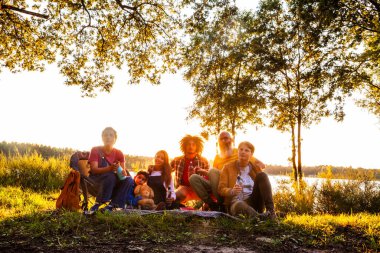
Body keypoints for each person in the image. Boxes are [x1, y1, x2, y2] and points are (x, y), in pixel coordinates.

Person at [189, 131, 265, 211]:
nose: (224, 141)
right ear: (218, 142)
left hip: (234, 183)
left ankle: (222, 204)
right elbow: (214, 176)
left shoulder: (240, 152)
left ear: (231, 140)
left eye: (226, 138)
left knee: (212, 171)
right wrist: (203, 171)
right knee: (193, 178)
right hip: (221, 185)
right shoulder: (217, 157)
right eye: (221, 139)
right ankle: (212, 204)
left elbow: (261, 165)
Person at [218, 141, 276, 220]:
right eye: (241, 149)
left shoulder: (255, 168)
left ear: (251, 155)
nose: (243, 152)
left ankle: (271, 212)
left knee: (262, 175)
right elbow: (221, 189)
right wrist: (232, 191)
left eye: (246, 150)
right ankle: (260, 217)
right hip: (235, 203)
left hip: (253, 201)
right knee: (239, 204)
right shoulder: (227, 168)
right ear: (237, 152)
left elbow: (263, 186)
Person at [87, 127, 133, 213]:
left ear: (115, 139)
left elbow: (123, 173)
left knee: (129, 180)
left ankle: (113, 205)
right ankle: (99, 203)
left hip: (112, 183)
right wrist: (110, 168)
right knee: (110, 175)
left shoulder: (119, 153)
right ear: (102, 138)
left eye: (111, 135)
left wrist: (123, 172)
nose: (108, 137)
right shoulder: (95, 150)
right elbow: (94, 170)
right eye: (105, 135)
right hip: (95, 182)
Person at [170, 135, 209, 205]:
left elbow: (209, 178)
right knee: (173, 198)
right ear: (184, 146)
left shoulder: (203, 161)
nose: (191, 146)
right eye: (188, 144)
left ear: (197, 147)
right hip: (183, 188)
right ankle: (178, 207)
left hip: (199, 189)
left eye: (193, 145)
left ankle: (210, 207)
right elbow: (166, 170)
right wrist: (153, 168)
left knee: (213, 197)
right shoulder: (177, 160)